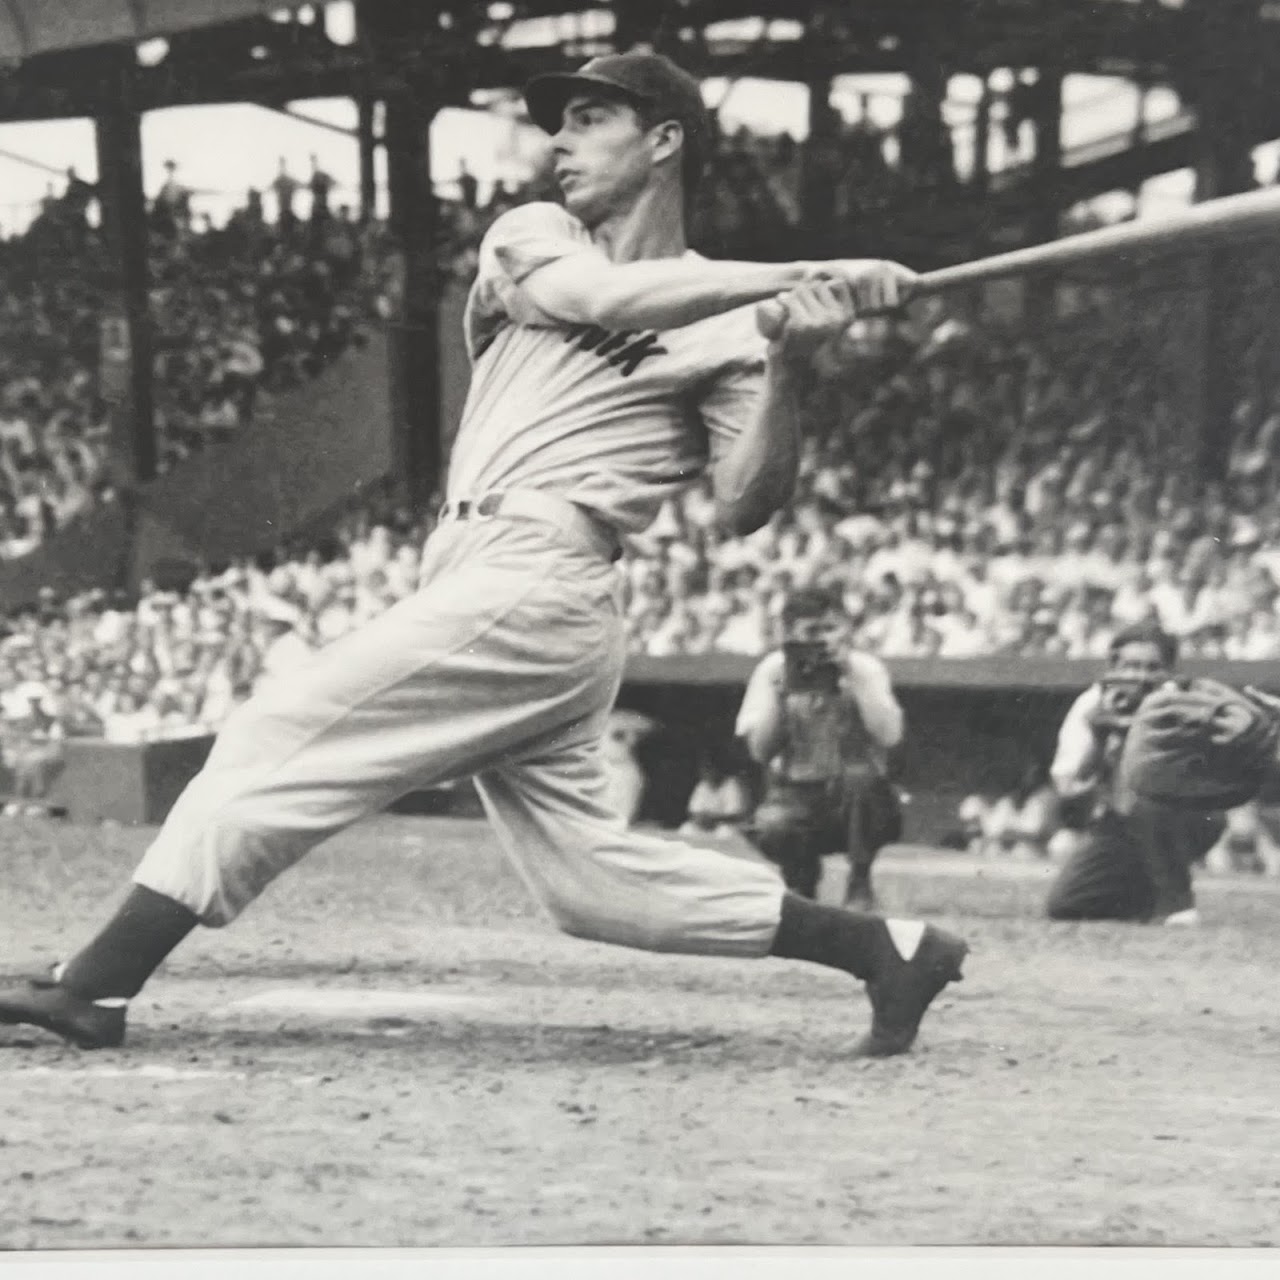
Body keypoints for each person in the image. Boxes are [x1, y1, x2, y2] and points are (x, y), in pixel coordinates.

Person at [0, 51, 966, 1057]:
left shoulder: (733, 327)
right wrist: (801, 274)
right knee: (593, 887)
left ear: (664, 140)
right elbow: (605, 298)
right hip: (479, 570)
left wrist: (785, 363)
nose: (559, 142)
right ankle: (886, 948)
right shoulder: (535, 235)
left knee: (273, 731)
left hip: (546, 573)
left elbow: (743, 503)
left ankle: (97, 984)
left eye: (589, 120)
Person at [735, 586, 905, 908]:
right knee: (773, 824)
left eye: (831, 628)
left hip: (855, 799)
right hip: (796, 792)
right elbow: (759, 752)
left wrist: (852, 679)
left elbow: (890, 736)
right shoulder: (773, 670)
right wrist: (782, 695)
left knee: (860, 778)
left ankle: (859, 880)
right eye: (812, 631)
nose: (823, 640)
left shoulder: (865, 668)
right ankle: (800, 881)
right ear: (790, 634)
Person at [1044, 621, 1223, 923]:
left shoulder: (1186, 702)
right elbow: (1069, 790)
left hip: (1189, 817)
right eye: (1130, 666)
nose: (1140, 677)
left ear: (1169, 672)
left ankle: (1178, 902)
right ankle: (1146, 901)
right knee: (1068, 904)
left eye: (1153, 667)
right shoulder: (1092, 704)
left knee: (1148, 784)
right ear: (1112, 668)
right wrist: (1099, 741)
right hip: (1119, 823)